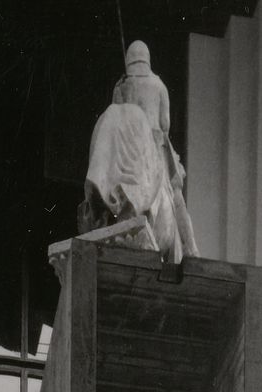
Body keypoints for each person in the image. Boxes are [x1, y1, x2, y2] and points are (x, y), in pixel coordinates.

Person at [81, 41, 198, 263]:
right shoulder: (159, 85)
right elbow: (165, 124)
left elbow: (118, 114)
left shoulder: (121, 84)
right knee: (176, 195)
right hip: (155, 143)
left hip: (131, 141)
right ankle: (191, 247)